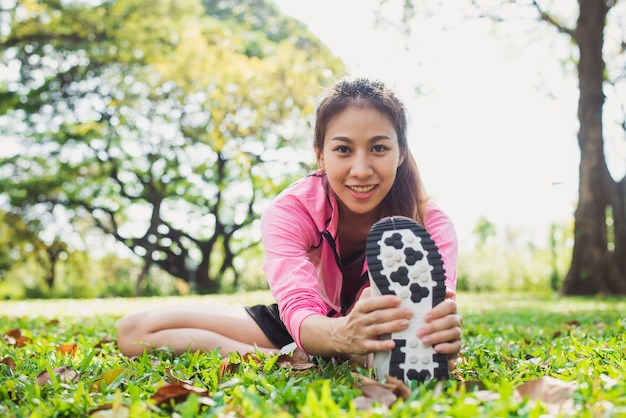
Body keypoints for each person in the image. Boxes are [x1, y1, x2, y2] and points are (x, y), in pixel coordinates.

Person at [116, 77, 462, 383]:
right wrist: (338, 337)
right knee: (134, 331)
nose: (361, 169)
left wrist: (438, 337)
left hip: (379, 331)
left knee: (378, 323)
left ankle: (349, 355)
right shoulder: (291, 209)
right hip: (305, 323)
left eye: (379, 148)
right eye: (343, 149)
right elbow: (297, 308)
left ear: (400, 153)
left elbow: (432, 318)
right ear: (320, 155)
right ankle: (288, 359)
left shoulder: (431, 225)